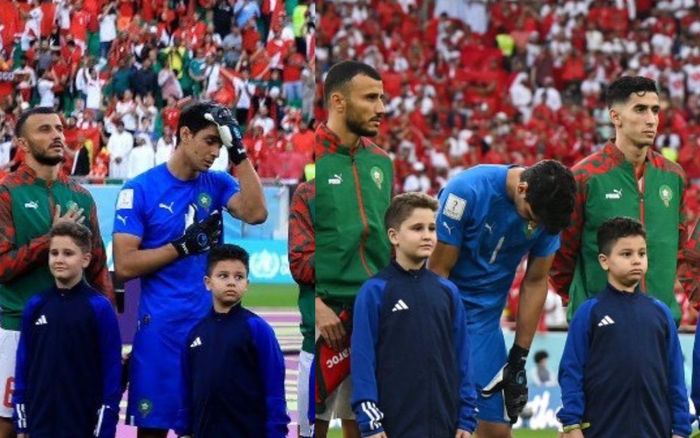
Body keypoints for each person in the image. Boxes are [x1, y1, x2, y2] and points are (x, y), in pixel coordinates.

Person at [112, 102, 267, 438]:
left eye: (220, 144)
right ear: (184, 134)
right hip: (159, 335)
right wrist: (181, 247)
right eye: (209, 141)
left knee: (207, 428)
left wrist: (239, 152)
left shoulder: (219, 183)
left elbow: (256, 213)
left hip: (210, 332)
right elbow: (124, 265)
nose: (215, 152)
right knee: (152, 432)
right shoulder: (139, 189)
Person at [429, 160, 576, 438]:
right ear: (522, 188)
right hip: (443, 312)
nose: (536, 225)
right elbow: (438, 273)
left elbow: (535, 281)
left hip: (485, 324)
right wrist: (438, 339)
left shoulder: (546, 212)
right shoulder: (466, 191)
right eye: (533, 217)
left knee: (497, 430)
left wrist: (519, 358)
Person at [0, 107, 113, 438]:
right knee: (9, 424)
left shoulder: (81, 196)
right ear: (22, 142)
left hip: (75, 327)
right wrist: (50, 238)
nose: (57, 136)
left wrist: (107, 329)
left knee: (72, 416)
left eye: (60, 128)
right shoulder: (6, 193)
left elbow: (97, 267)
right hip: (16, 325)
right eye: (45, 130)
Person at [550, 76, 692, 322]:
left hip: (660, 324)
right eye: (640, 109)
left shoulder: (673, 176)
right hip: (600, 325)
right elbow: (560, 255)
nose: (651, 119)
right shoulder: (584, 177)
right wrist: (584, 303)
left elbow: (679, 249)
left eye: (655, 110)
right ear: (615, 117)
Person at [351, 192, 477, 438]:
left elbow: (462, 359)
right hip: (393, 426)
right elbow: (363, 360)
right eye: (417, 228)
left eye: (432, 228)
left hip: (445, 425)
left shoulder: (448, 292)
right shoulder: (375, 291)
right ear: (394, 236)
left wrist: (466, 418)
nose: (428, 235)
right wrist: (370, 420)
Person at [315, 60, 393, 438]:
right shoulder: (307, 156)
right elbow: (295, 242)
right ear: (339, 102)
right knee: (311, 426)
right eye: (371, 98)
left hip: (372, 317)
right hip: (322, 321)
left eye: (382, 97)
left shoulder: (382, 162)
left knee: (363, 425)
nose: (381, 108)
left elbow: (385, 243)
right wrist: (313, 305)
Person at [558, 217, 690, 438]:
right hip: (601, 429)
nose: (637, 260)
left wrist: (681, 429)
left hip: (654, 430)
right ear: (604, 261)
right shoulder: (590, 312)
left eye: (642, 253)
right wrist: (572, 423)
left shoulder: (661, 313)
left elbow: (675, 377)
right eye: (626, 254)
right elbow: (571, 371)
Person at [13, 222, 121, 438]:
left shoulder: (99, 308)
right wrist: (22, 422)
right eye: (54, 253)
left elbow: (111, 371)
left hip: (82, 424)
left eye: (68, 253)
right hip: (39, 424)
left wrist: (105, 425)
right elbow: (23, 366)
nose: (59, 259)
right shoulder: (35, 306)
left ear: (86, 259)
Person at [175, 244, 289, 437]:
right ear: (207, 282)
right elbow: (186, 389)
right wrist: (184, 431)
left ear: (247, 284)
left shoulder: (257, 329)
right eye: (223, 276)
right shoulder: (195, 334)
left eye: (239, 277)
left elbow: (274, 389)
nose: (231, 282)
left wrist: (276, 432)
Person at [288, 179, 315, 438]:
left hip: (365, 335)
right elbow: (301, 266)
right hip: (315, 337)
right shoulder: (309, 194)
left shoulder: (373, 186)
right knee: (309, 430)